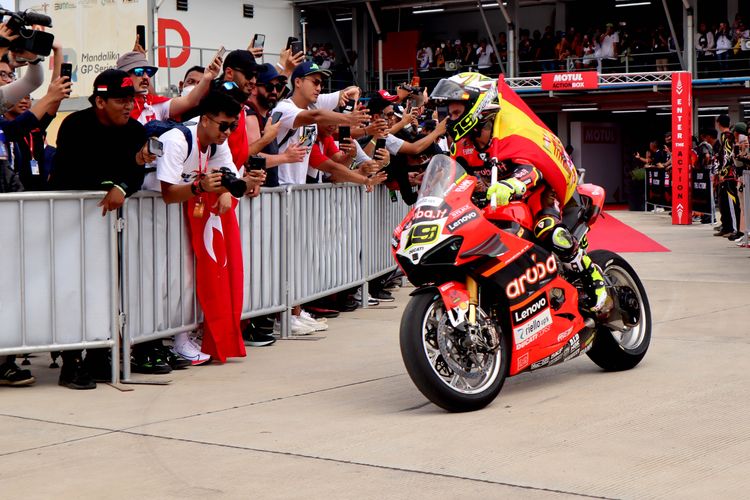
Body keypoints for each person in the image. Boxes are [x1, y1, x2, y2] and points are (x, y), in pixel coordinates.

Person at [430, 72, 608, 313]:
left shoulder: (512, 133)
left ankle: (591, 276)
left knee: (549, 230)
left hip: (537, 193)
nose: (449, 120)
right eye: (449, 114)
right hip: (494, 202)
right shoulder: (462, 145)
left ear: (476, 106)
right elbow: (455, 176)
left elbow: (532, 168)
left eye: (455, 113)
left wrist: (512, 184)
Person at [51, 69, 157, 389]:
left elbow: (138, 172)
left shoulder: (136, 129)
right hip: (70, 223)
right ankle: (71, 363)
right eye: (121, 100)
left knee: (109, 288)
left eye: (131, 100)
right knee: (73, 292)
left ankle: (99, 354)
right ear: (99, 101)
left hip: (111, 225)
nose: (128, 106)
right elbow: (73, 174)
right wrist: (117, 179)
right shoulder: (75, 126)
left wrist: (123, 185)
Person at [156, 90, 265, 363]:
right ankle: (160, 341)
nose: (228, 132)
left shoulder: (217, 142)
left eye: (233, 126)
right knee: (159, 280)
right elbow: (168, 193)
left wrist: (235, 187)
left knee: (185, 277)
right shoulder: (177, 140)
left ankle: (182, 336)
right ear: (205, 119)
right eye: (223, 125)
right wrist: (199, 187)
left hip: (175, 213)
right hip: (152, 212)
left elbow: (229, 178)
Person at [714, 114, 741, 239]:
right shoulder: (726, 136)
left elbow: (727, 155)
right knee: (724, 202)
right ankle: (727, 227)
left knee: (730, 203)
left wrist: (723, 173)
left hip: (729, 176)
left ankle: (733, 228)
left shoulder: (726, 136)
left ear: (718, 123)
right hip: (726, 174)